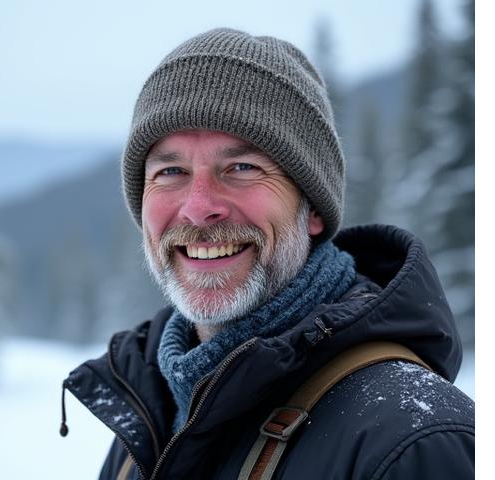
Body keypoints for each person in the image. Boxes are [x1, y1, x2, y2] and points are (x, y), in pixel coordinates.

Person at [63, 28, 474, 479]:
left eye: (242, 167)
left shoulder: (410, 440)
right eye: (171, 171)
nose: (199, 208)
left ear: (312, 207)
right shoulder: (148, 417)